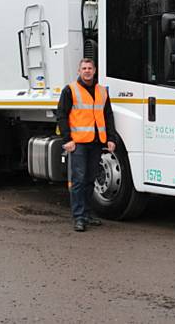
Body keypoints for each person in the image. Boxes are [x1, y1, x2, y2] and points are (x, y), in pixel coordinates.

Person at [57, 58, 117, 232]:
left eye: (90, 68)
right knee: (79, 180)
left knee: (91, 180)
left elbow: (108, 115)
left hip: (96, 142)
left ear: (95, 70)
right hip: (79, 143)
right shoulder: (70, 90)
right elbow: (62, 115)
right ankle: (79, 217)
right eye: (84, 68)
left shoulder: (102, 91)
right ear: (79, 71)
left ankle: (88, 214)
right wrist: (67, 139)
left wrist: (111, 138)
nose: (87, 71)